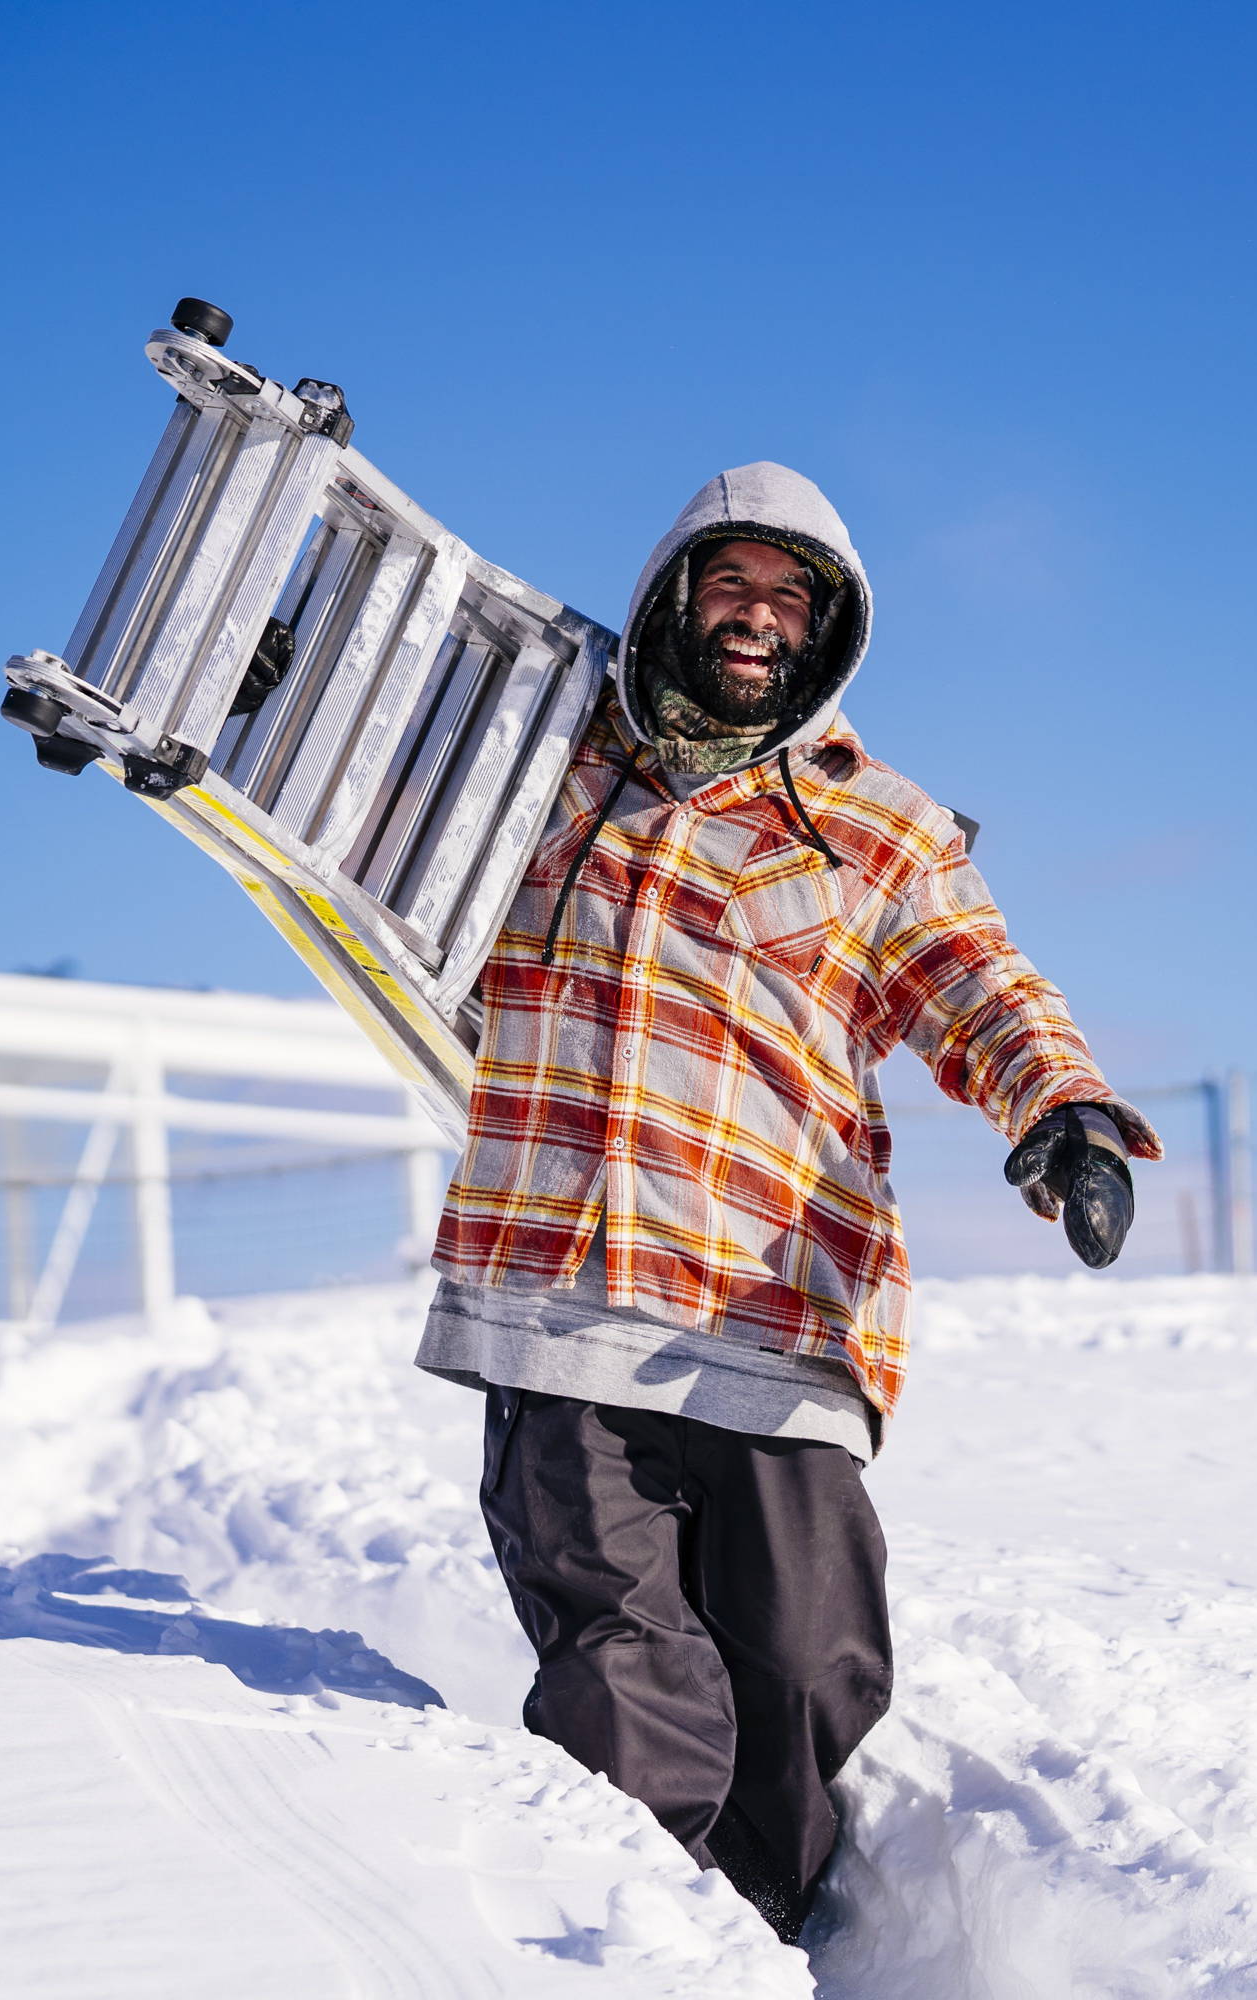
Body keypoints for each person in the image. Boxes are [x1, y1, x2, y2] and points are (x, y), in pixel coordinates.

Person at [416, 462, 1159, 1944]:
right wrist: (252, 697)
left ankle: (766, 1929)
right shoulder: (544, 767)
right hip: (560, 1294)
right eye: (731, 586)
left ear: (826, 636)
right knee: (625, 1667)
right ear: (674, 597)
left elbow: (979, 982)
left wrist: (1061, 1107)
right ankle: (653, 1955)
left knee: (810, 1661)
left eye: (788, 599)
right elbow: (366, 786)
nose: (756, 619)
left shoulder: (874, 827)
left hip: (776, 1308)